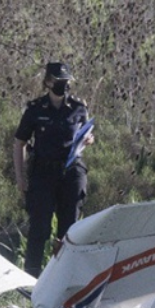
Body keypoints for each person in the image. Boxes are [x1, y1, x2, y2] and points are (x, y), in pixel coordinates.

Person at [13, 61, 93, 276]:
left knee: (70, 229)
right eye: (58, 81)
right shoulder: (35, 109)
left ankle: (65, 276)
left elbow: (84, 133)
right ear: (48, 82)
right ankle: (31, 277)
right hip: (43, 172)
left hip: (71, 171)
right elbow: (19, 142)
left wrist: (88, 140)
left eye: (67, 82)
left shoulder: (78, 107)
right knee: (39, 227)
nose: (64, 86)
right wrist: (20, 177)